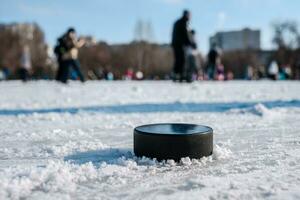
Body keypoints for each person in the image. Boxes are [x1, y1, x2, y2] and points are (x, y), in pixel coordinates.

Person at [171, 10, 192, 82]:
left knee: (178, 59)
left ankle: (177, 74)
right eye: (189, 15)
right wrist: (190, 43)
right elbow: (185, 34)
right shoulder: (183, 22)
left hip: (175, 43)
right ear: (187, 15)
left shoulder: (178, 22)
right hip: (179, 44)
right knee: (181, 59)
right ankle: (180, 75)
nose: (190, 17)